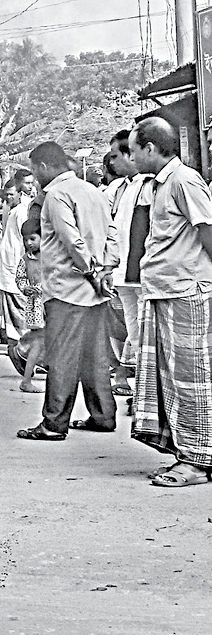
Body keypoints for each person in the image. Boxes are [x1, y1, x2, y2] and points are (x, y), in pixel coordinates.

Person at [128, 117, 212, 487]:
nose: (132, 157)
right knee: (173, 381)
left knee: (192, 380)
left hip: (186, 291)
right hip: (164, 290)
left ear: (150, 148)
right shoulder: (160, 184)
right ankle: (186, 453)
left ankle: (197, 461)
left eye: (134, 150)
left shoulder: (183, 180)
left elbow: (207, 230)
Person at [16, 141, 118, 442]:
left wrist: (90, 271)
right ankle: (103, 416)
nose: (35, 178)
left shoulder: (56, 195)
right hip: (95, 291)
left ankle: (53, 423)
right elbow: (112, 234)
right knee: (95, 357)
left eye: (35, 172)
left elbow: (71, 239)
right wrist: (105, 270)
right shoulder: (93, 191)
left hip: (66, 290)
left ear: (44, 167)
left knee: (61, 356)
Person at [105, 129, 151, 399]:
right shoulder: (119, 188)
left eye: (116, 156)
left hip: (144, 273)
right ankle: (142, 393)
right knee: (135, 335)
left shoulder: (151, 184)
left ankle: (147, 392)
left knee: (147, 336)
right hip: (123, 273)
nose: (112, 162)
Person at [0, 169, 35, 349]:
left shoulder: (23, 210)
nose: (9, 197)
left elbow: (27, 241)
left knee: (20, 309)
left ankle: (23, 347)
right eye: (7, 194)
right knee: (12, 310)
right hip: (9, 266)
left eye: (12, 194)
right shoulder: (11, 210)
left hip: (17, 267)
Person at [15, 218, 46, 393]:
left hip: (50, 305)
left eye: (33, 238)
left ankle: (21, 350)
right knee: (38, 342)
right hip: (36, 306)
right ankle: (26, 380)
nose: (29, 243)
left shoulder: (50, 256)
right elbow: (20, 278)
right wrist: (25, 288)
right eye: (26, 239)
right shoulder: (26, 259)